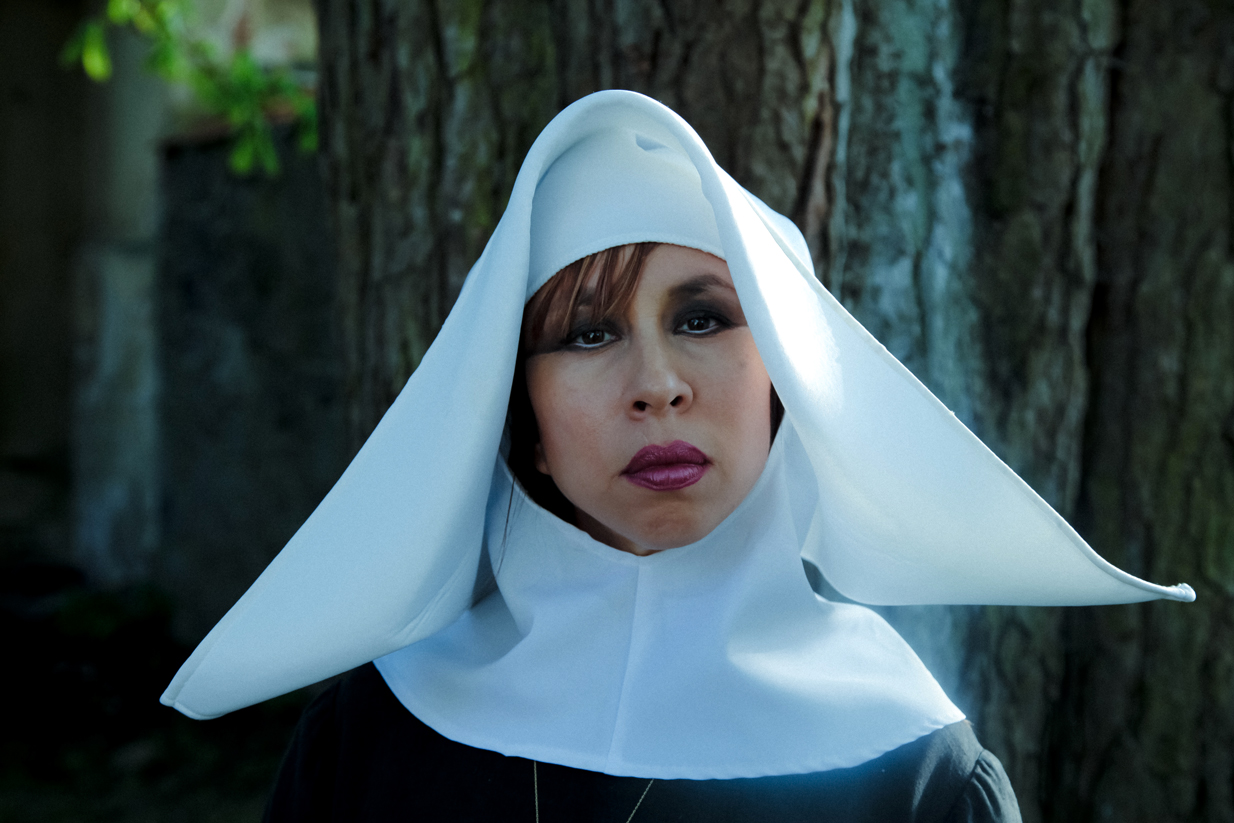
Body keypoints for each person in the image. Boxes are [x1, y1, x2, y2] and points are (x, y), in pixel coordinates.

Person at [159, 91, 1194, 822]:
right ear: (521, 416)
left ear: (782, 376)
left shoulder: (915, 774)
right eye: (588, 333)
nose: (656, 383)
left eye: (703, 318)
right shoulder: (372, 739)